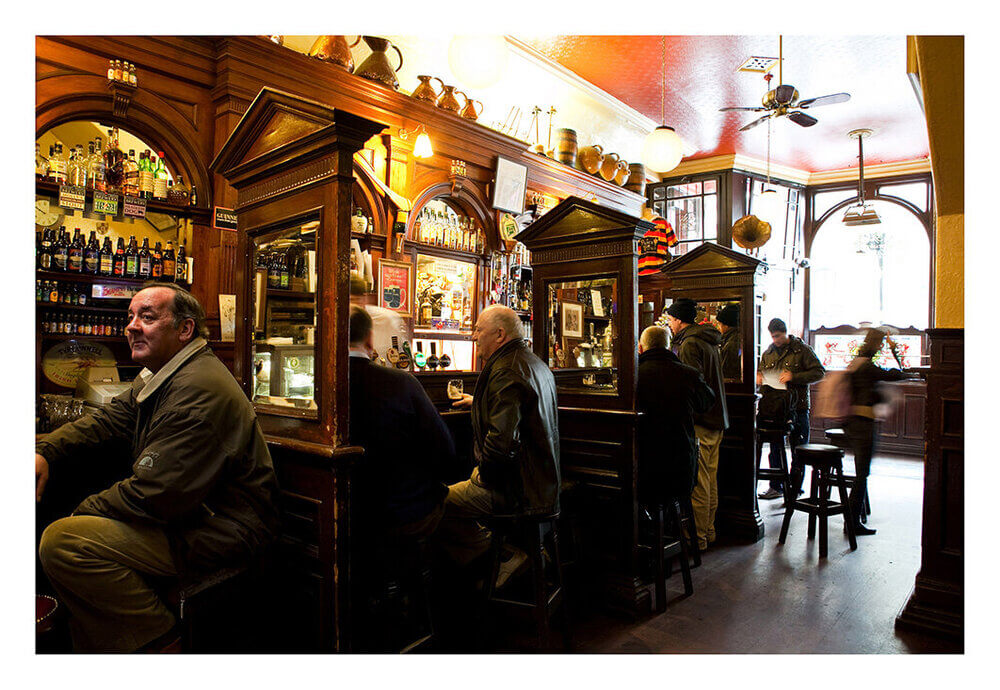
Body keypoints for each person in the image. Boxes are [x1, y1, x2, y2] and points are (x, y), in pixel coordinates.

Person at [36, 283, 280, 652]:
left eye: (147, 317)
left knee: (66, 541)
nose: (132, 326)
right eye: (130, 317)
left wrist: (80, 510)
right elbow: (109, 419)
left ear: (185, 329)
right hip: (193, 516)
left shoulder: (196, 390)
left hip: (224, 529)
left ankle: (159, 644)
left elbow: (156, 494)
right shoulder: (161, 372)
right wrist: (45, 450)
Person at [438, 304, 560, 586]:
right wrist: (477, 403)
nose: (473, 336)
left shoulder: (505, 371)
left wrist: (484, 476)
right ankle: (523, 551)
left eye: (479, 330)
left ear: (500, 334)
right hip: (541, 484)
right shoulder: (533, 363)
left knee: (436, 503)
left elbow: (502, 445)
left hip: (517, 491)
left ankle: (502, 555)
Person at [347, 304, 459, 537]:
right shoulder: (402, 383)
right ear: (370, 339)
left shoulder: (319, 384)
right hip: (402, 514)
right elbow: (446, 452)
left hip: (343, 513)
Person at [664, 298, 729, 552]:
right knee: (709, 480)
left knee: (699, 483)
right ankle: (709, 531)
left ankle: (697, 538)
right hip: (716, 419)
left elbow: (689, 385)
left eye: (670, 319)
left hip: (701, 420)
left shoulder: (689, 343)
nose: (669, 324)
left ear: (679, 320)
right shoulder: (708, 339)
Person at [636, 326, 715, 505]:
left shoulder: (634, 377)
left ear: (641, 348)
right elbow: (707, 403)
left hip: (644, 469)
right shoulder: (689, 374)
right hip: (680, 468)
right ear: (669, 346)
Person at [843, 328, 908, 536]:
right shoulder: (868, 368)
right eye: (881, 345)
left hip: (851, 422)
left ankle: (853, 519)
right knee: (862, 474)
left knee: (860, 473)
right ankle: (852, 522)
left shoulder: (856, 363)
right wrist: (894, 349)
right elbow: (900, 373)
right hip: (864, 424)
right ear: (877, 345)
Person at [755, 318, 825, 501]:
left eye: (778, 336)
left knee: (798, 449)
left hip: (798, 407)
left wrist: (794, 376)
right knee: (775, 449)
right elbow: (761, 375)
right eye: (772, 336)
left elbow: (819, 372)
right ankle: (776, 486)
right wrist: (760, 379)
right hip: (775, 409)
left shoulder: (801, 350)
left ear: (785, 332)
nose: (775, 340)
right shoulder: (768, 353)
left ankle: (795, 488)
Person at [350, 274, 406, 366]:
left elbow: (404, 357)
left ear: (365, 298)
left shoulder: (388, 319)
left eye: (353, 300)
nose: (350, 305)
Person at [716, 303, 741, 380]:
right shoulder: (735, 337)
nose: (718, 327)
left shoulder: (731, 343)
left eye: (719, 324)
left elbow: (726, 372)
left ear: (726, 325)